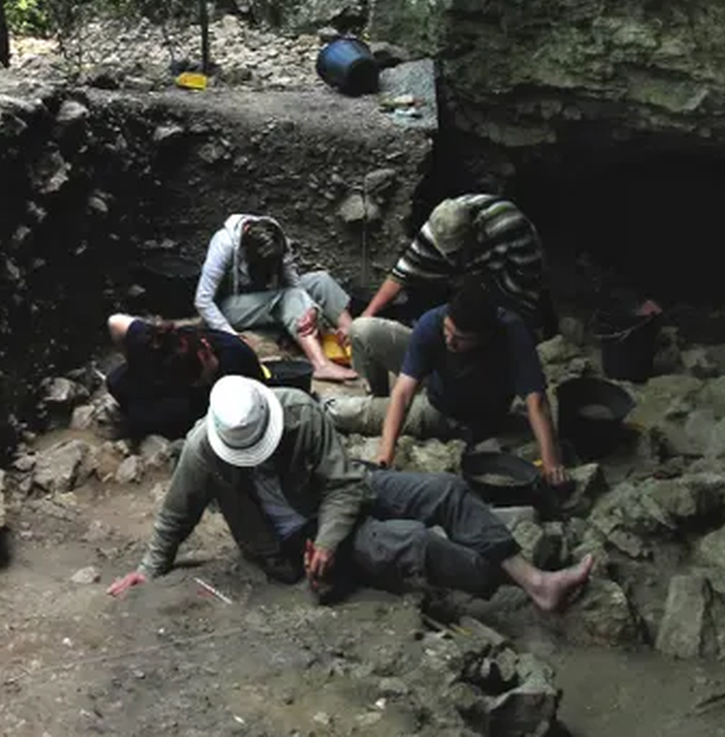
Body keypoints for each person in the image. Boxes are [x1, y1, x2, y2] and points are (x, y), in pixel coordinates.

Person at [107, 376, 594, 610]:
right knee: (410, 542)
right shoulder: (201, 451)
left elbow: (343, 485)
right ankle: (513, 586)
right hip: (288, 542)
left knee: (445, 489)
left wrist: (332, 539)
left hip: (335, 496)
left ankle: (536, 580)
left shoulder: (297, 411)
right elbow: (176, 516)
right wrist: (148, 571)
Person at [326, 275, 570, 486]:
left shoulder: (512, 333)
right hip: (436, 400)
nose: (450, 341)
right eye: (448, 331)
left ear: (485, 336)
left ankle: (335, 406)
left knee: (356, 412)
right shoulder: (433, 322)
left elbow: (536, 402)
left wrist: (551, 462)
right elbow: (403, 394)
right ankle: (323, 404)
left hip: (471, 418)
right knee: (347, 407)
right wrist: (386, 452)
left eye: (461, 339)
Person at [359, 193, 554, 339]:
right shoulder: (434, 232)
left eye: (456, 252)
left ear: (474, 230)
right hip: (470, 272)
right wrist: (367, 314)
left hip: (505, 268)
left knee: (514, 326)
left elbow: (528, 283)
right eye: (446, 253)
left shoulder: (508, 227)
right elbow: (401, 275)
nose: (451, 258)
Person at [194, 214, 358, 383]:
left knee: (320, 280)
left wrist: (311, 309)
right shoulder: (224, 244)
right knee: (288, 297)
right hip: (230, 306)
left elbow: (293, 282)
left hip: (264, 298)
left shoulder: (274, 238)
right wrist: (232, 335)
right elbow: (203, 300)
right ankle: (321, 365)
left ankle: (355, 337)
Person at [104, 314, 265, 439]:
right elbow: (115, 322)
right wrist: (135, 365)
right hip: (182, 391)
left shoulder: (237, 362)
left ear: (206, 352)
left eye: (199, 378)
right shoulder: (162, 343)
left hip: (220, 399)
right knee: (116, 382)